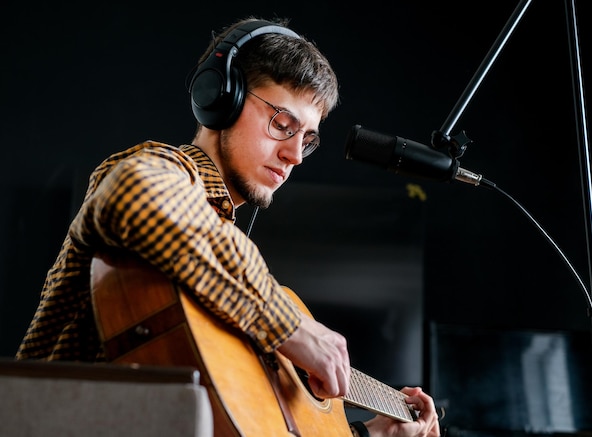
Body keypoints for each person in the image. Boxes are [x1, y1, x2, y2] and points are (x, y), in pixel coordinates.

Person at [15, 16, 440, 437]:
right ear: (221, 98)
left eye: (307, 138)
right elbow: (134, 192)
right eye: (282, 124)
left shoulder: (222, 272)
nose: (294, 154)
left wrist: (372, 435)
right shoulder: (164, 171)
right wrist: (291, 327)